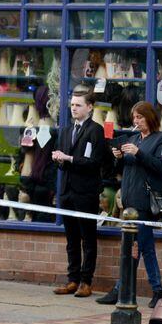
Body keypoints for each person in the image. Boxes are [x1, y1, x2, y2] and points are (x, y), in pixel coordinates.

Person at [97, 101, 162, 308]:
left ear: (150, 117)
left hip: (145, 202)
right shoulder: (133, 137)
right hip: (129, 202)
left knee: (141, 247)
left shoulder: (160, 139)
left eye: (140, 117)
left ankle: (128, 289)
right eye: (134, 117)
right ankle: (148, 290)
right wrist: (119, 157)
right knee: (137, 247)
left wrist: (138, 153)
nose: (136, 121)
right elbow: (123, 169)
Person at [51, 91, 110, 297]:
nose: (74, 108)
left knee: (88, 238)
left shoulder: (96, 131)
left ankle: (86, 281)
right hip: (67, 191)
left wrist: (68, 158)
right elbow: (63, 163)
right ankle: (72, 279)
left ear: (89, 107)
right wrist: (59, 159)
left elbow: (94, 163)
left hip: (86, 192)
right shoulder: (66, 131)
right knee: (71, 238)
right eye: (72, 105)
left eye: (78, 105)